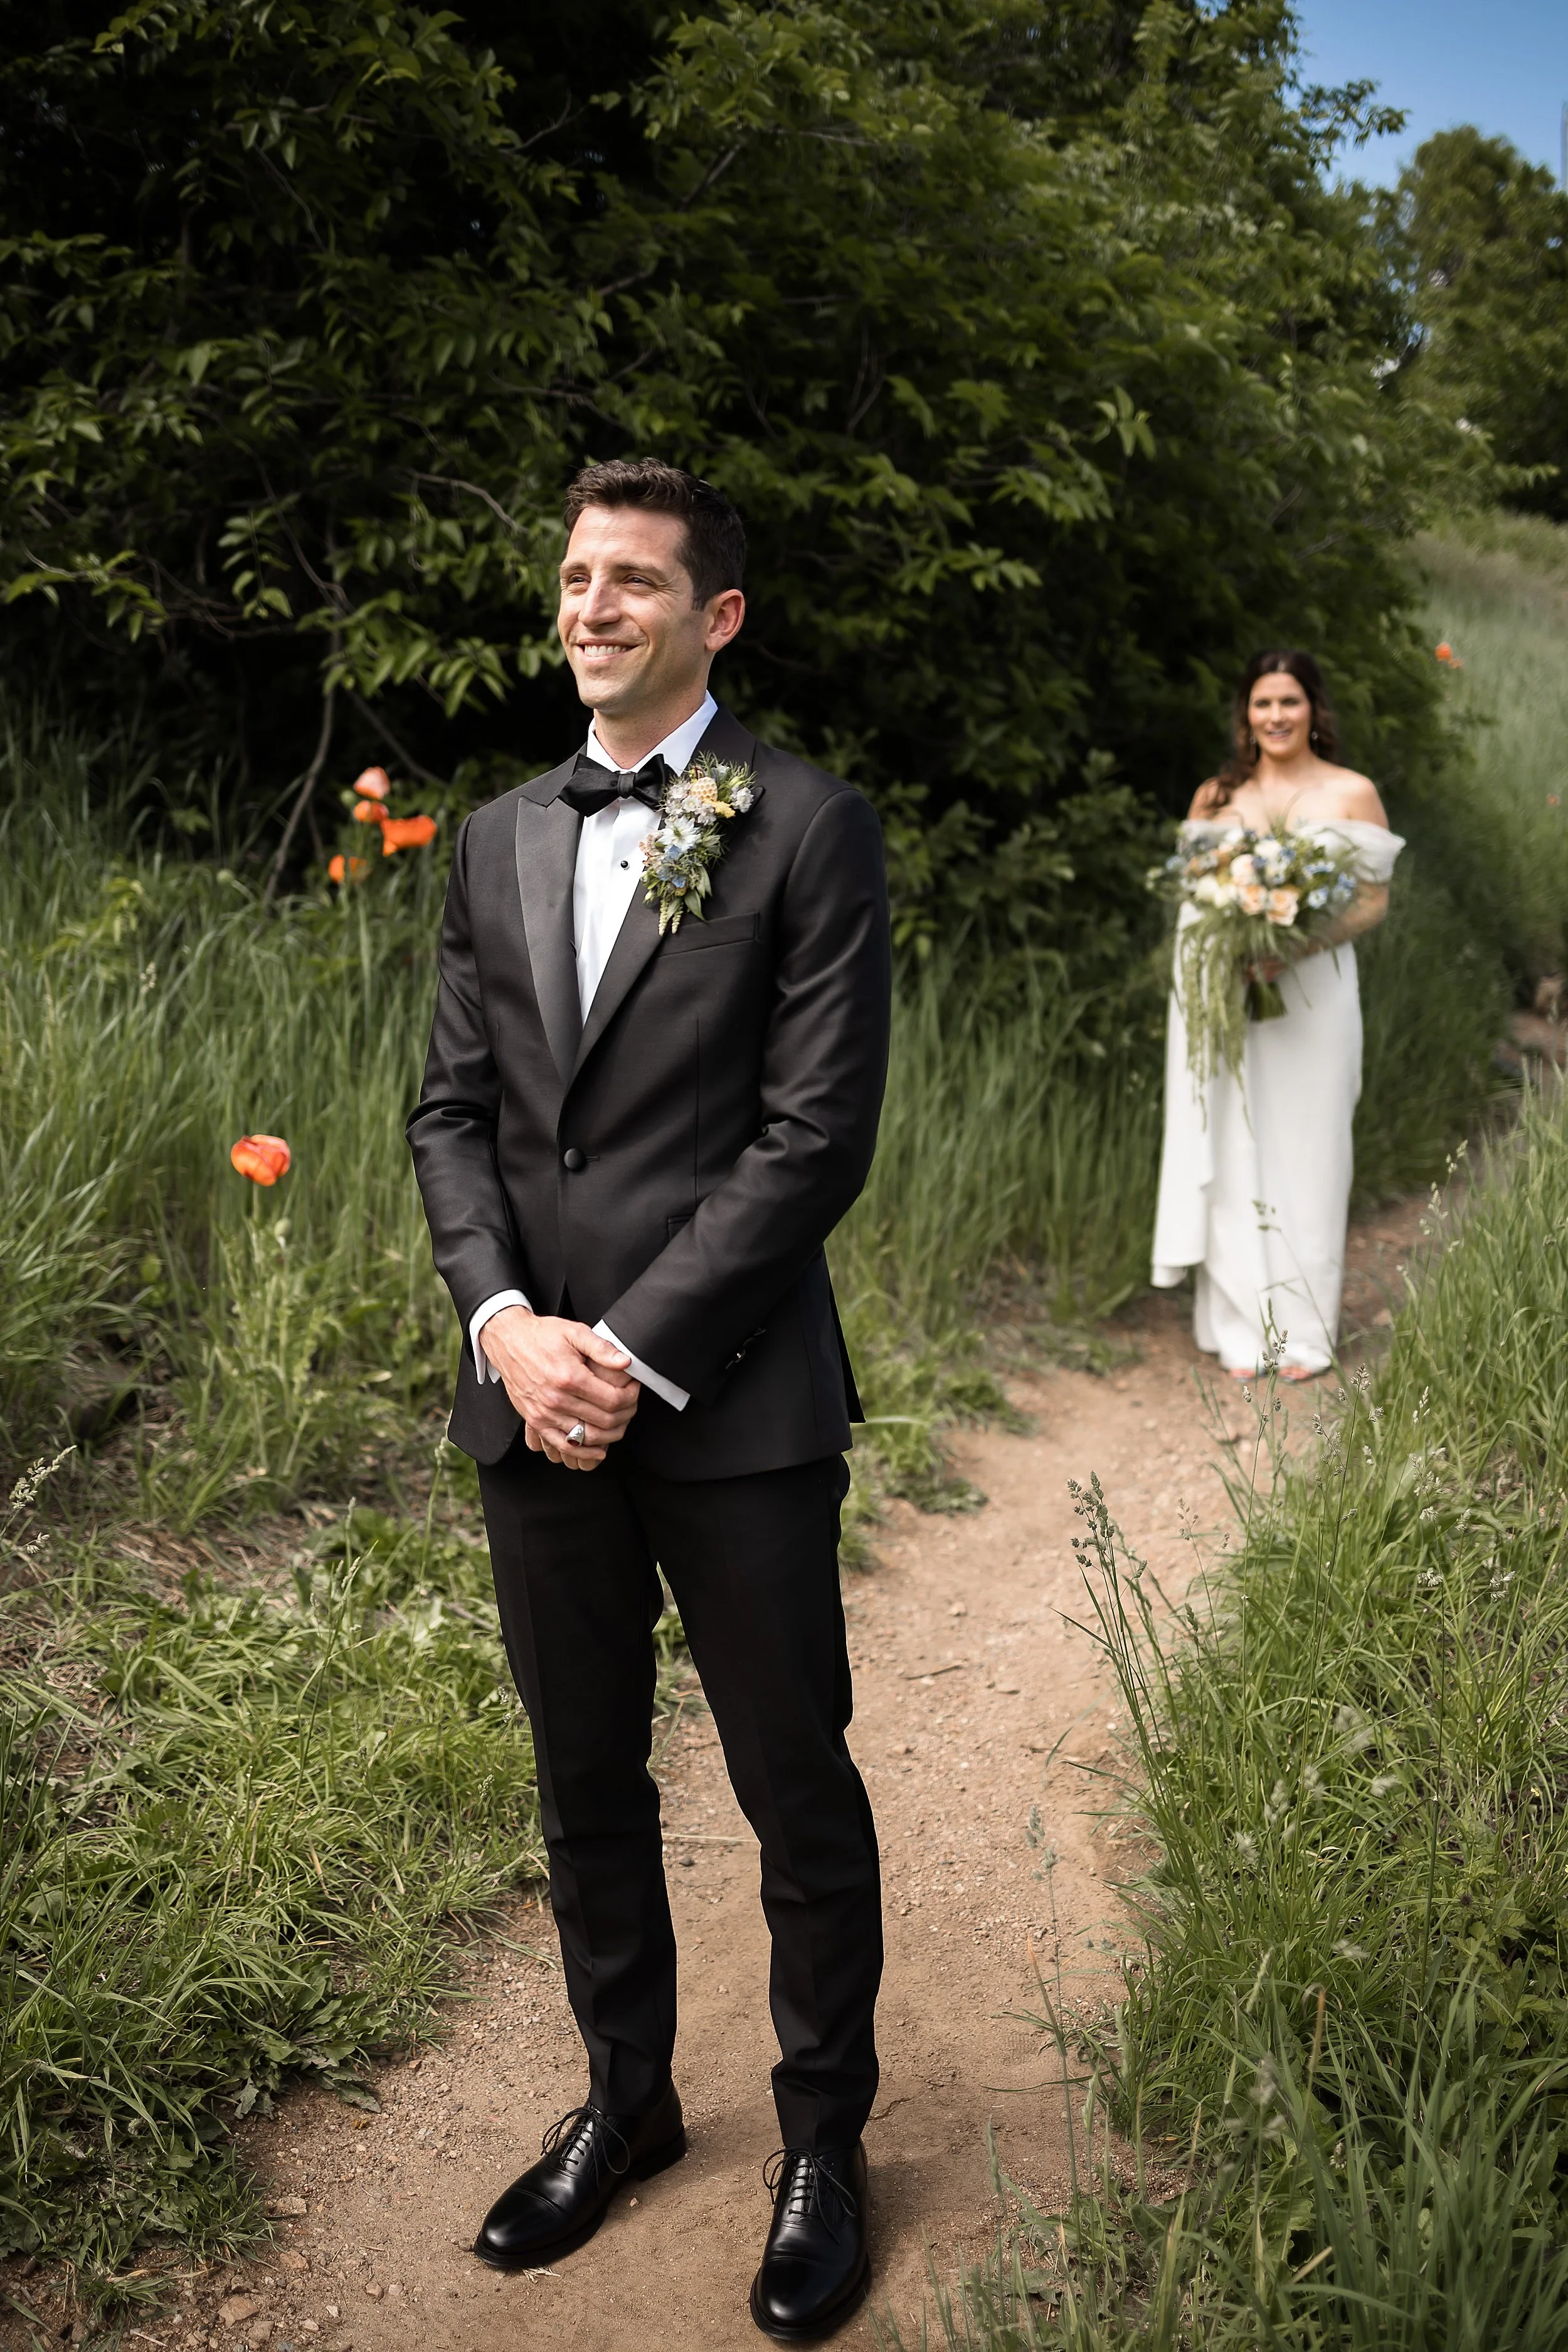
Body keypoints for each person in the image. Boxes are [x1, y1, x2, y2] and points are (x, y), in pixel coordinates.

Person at [406, 457, 891, 2343]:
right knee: (580, 1770)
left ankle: (822, 2141)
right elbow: (452, 1113)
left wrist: (632, 1343)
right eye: (574, 576)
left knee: (792, 1784)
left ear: (716, 615)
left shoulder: (804, 824)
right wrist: (509, 1321)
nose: (590, 604)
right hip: (531, 1403)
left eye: (633, 580)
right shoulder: (494, 834)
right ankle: (625, 2096)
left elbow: (809, 1136)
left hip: (736, 1401)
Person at [1151, 649, 1403, 1379]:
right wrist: (1230, 946)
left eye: (1289, 702)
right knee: (1234, 1141)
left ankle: (1302, 1331)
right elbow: (1192, 895)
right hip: (1227, 995)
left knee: (1310, 1145)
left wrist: (1292, 948)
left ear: (1313, 710)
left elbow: (1372, 901)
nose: (1275, 716)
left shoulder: (1352, 792)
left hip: (1315, 994)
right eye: (1262, 704)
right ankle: (1238, 1324)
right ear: (1245, 715)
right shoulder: (1215, 796)